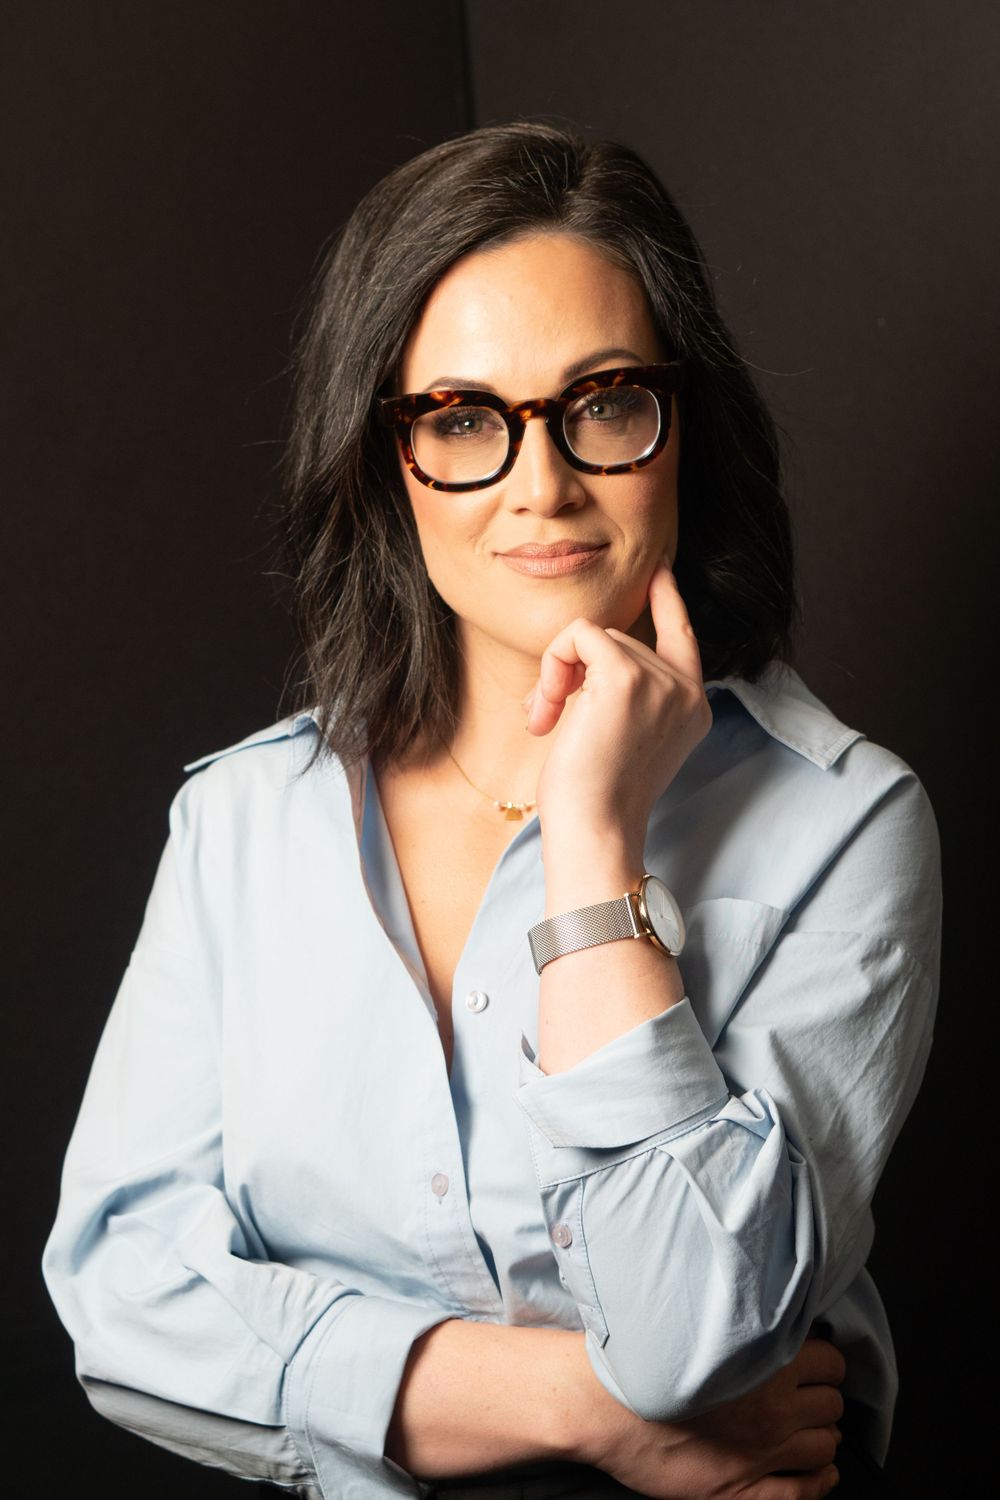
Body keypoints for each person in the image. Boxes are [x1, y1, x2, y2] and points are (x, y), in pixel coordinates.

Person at [42, 121, 940, 1500]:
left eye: (605, 401)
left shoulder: (845, 824)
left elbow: (695, 1331)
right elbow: (123, 1297)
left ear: (682, 424)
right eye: (462, 418)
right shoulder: (243, 821)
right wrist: (584, 1406)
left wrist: (593, 845)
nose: (542, 485)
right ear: (384, 457)